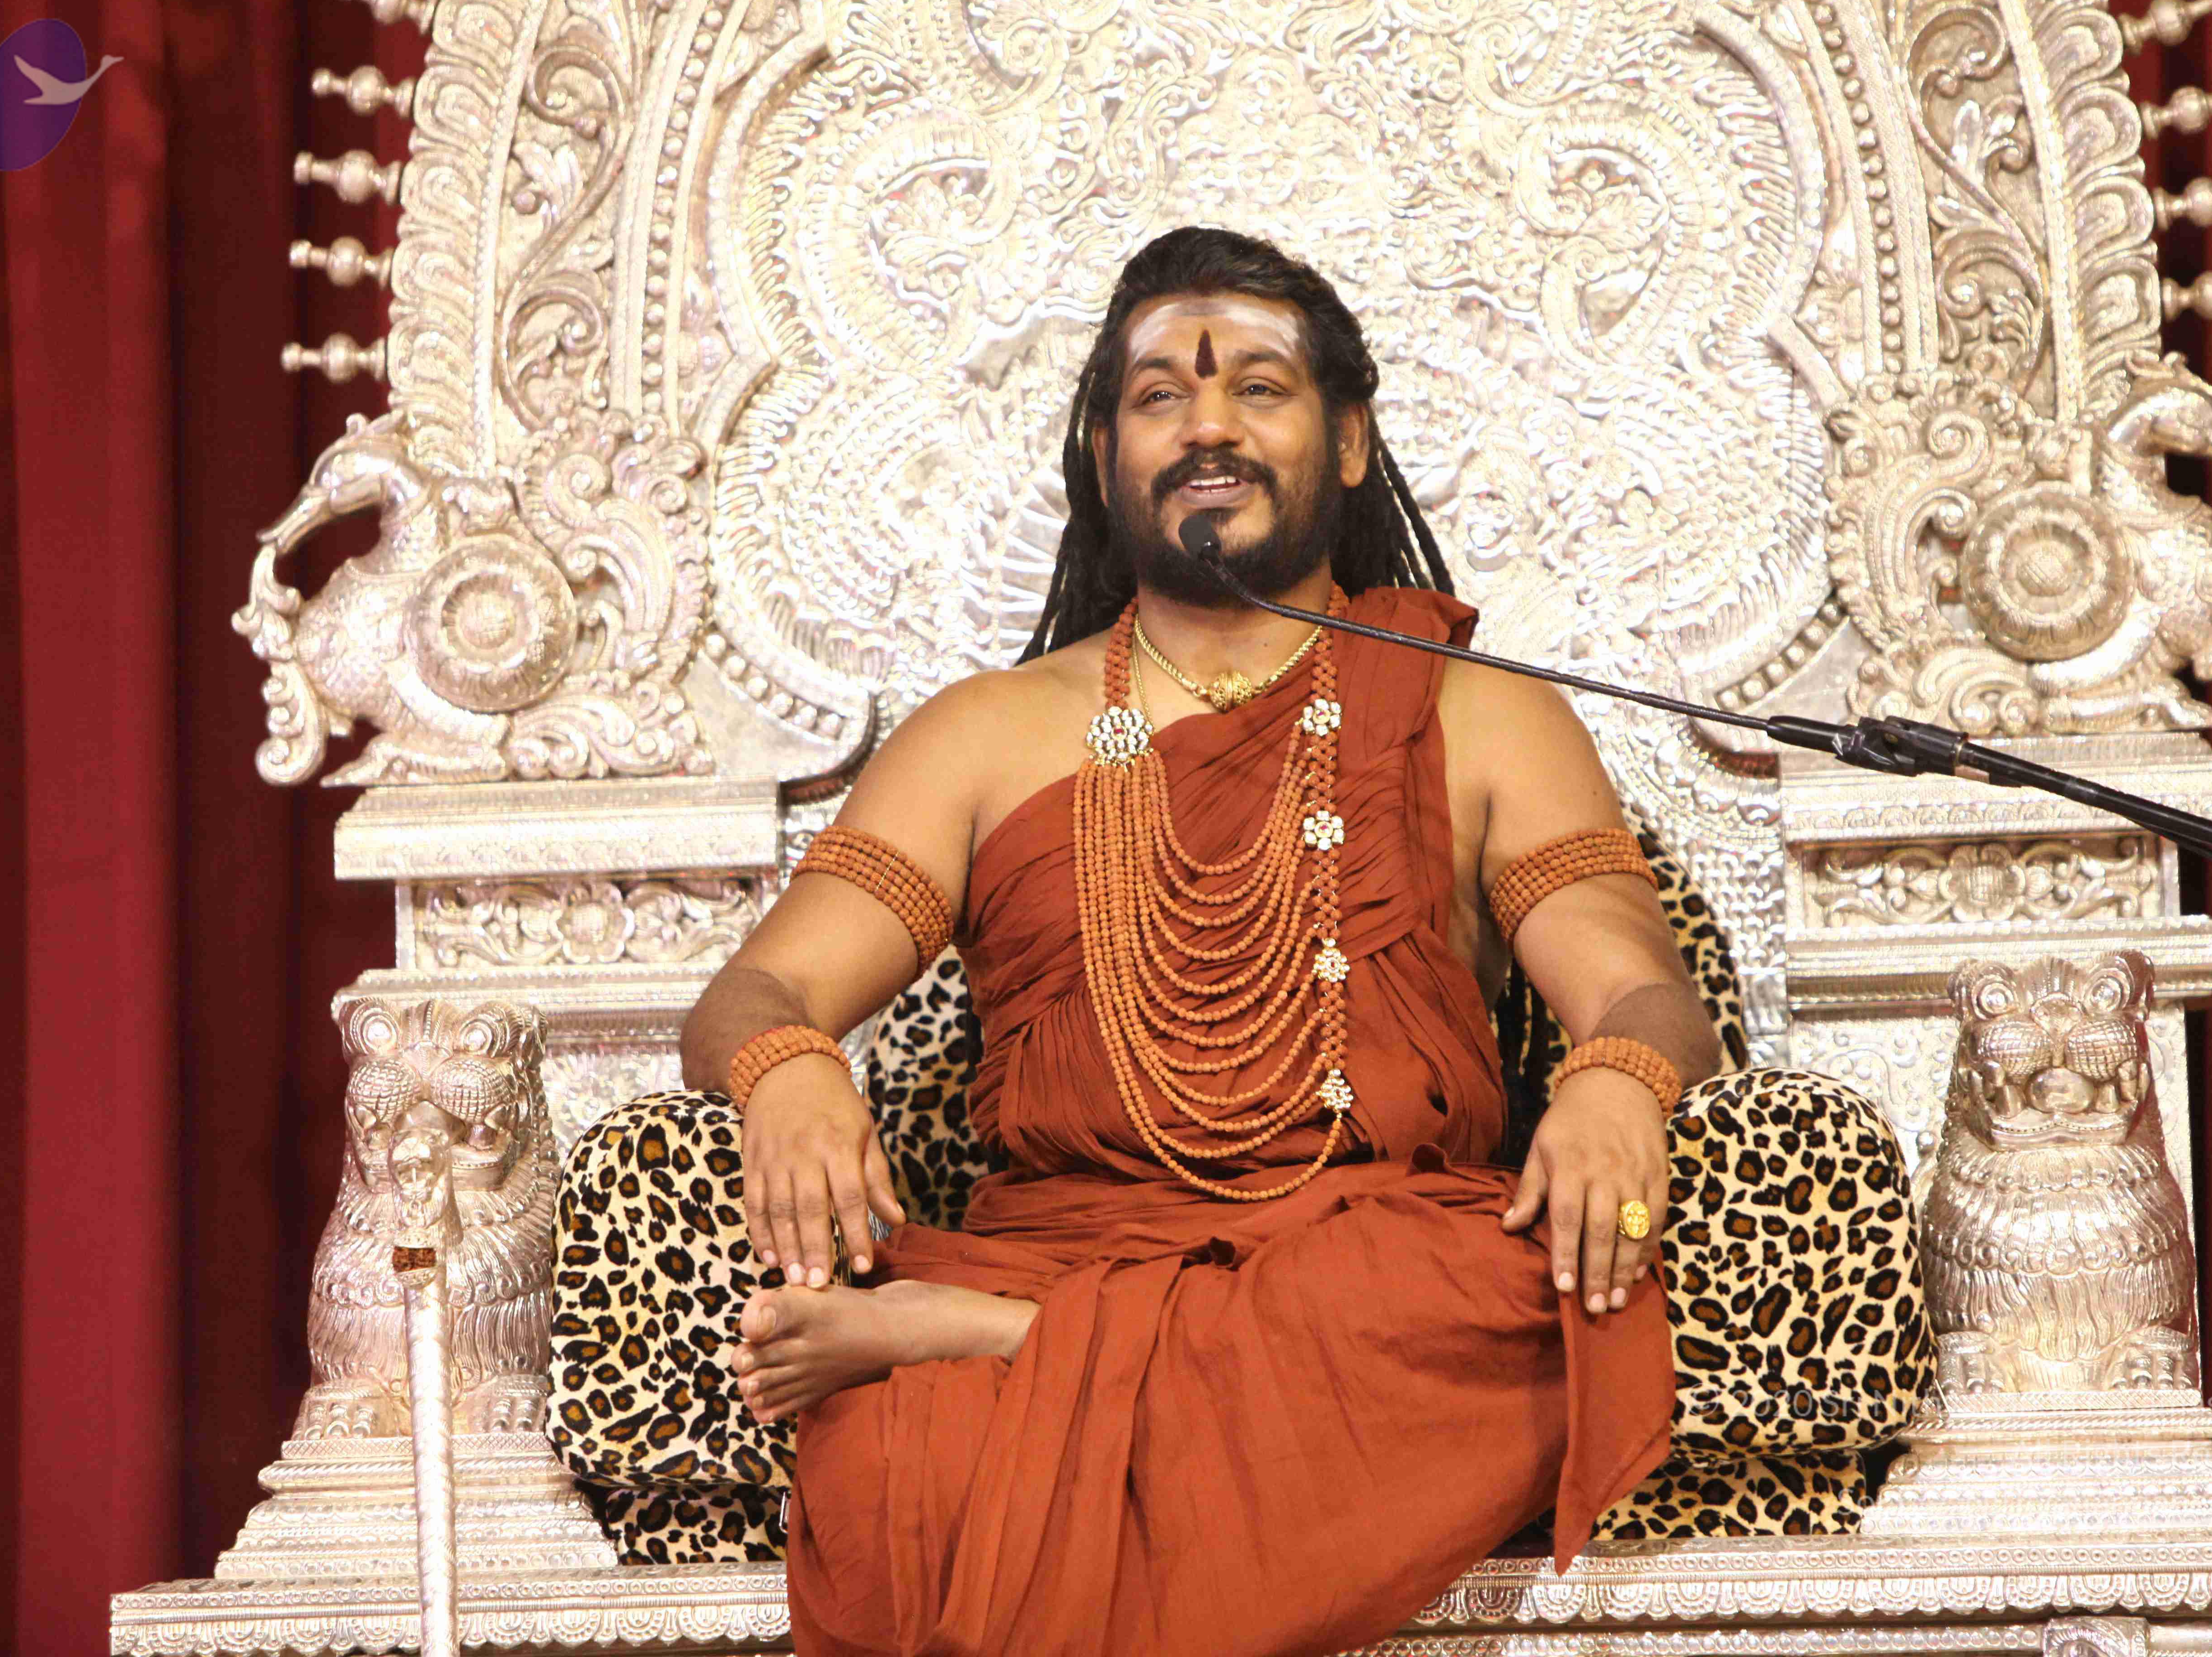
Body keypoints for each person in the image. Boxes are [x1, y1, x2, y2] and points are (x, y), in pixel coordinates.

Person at [680, 226, 1722, 1657]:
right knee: (893, 1456)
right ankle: (1039, 1336)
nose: (1208, 425)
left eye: (1260, 388)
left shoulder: (1478, 711)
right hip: (1070, 1248)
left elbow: (1643, 991)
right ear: (1105, 449)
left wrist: (1615, 1083)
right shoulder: (987, 733)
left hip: (1368, 1265)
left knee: (1522, 1296)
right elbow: (757, 990)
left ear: (1349, 442)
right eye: (1161, 394)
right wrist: (791, 1069)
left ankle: (991, 1342)